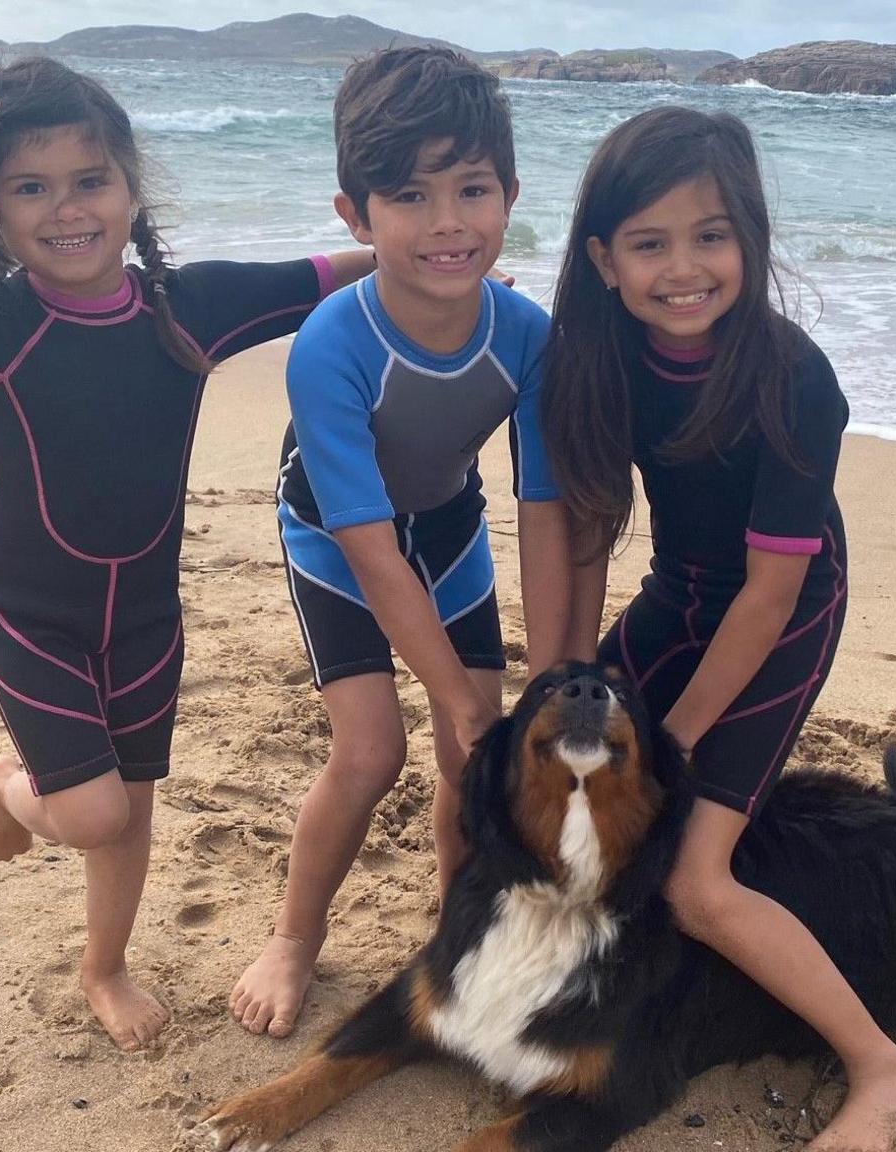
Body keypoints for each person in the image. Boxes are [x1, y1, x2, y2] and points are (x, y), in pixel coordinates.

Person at [0, 57, 373, 1053]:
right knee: (89, 813)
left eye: (89, 181)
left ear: (128, 189)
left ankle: (102, 968)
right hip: (29, 616)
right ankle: (8, 786)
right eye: (28, 187)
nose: (65, 209)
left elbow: (331, 272)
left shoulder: (187, 310)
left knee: (129, 810)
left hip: (147, 624)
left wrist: (431, 257)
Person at [543, 105, 896, 1152]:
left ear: (749, 239)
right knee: (556, 779)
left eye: (710, 236)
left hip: (782, 611)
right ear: (602, 258)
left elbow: (765, 597)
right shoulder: (596, 354)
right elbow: (579, 527)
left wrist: (675, 739)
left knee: (695, 881)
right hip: (680, 589)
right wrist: (562, 677)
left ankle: (881, 1073)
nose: (682, 268)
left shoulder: (792, 377)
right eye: (648, 243)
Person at [229, 47, 575, 1039]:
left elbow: (545, 511)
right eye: (409, 197)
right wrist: (460, 699)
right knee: (372, 752)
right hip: (337, 544)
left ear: (509, 193)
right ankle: (295, 937)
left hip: (450, 534)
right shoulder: (332, 344)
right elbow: (370, 548)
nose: (447, 223)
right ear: (354, 214)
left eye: (471, 189)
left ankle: (457, 927)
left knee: (479, 764)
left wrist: (547, 678)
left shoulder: (527, 337)